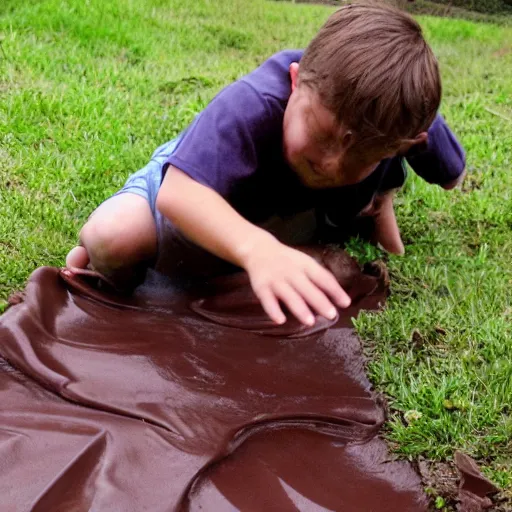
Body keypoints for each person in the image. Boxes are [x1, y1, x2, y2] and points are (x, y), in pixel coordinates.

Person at [66, 3, 465, 327]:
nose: (330, 163)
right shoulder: (253, 103)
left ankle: (375, 205)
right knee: (114, 237)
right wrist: (258, 250)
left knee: (337, 255)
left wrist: (385, 162)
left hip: (297, 210)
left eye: (359, 156)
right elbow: (178, 194)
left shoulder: (403, 127)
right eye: (321, 136)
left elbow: (453, 177)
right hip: (202, 183)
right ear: (294, 83)